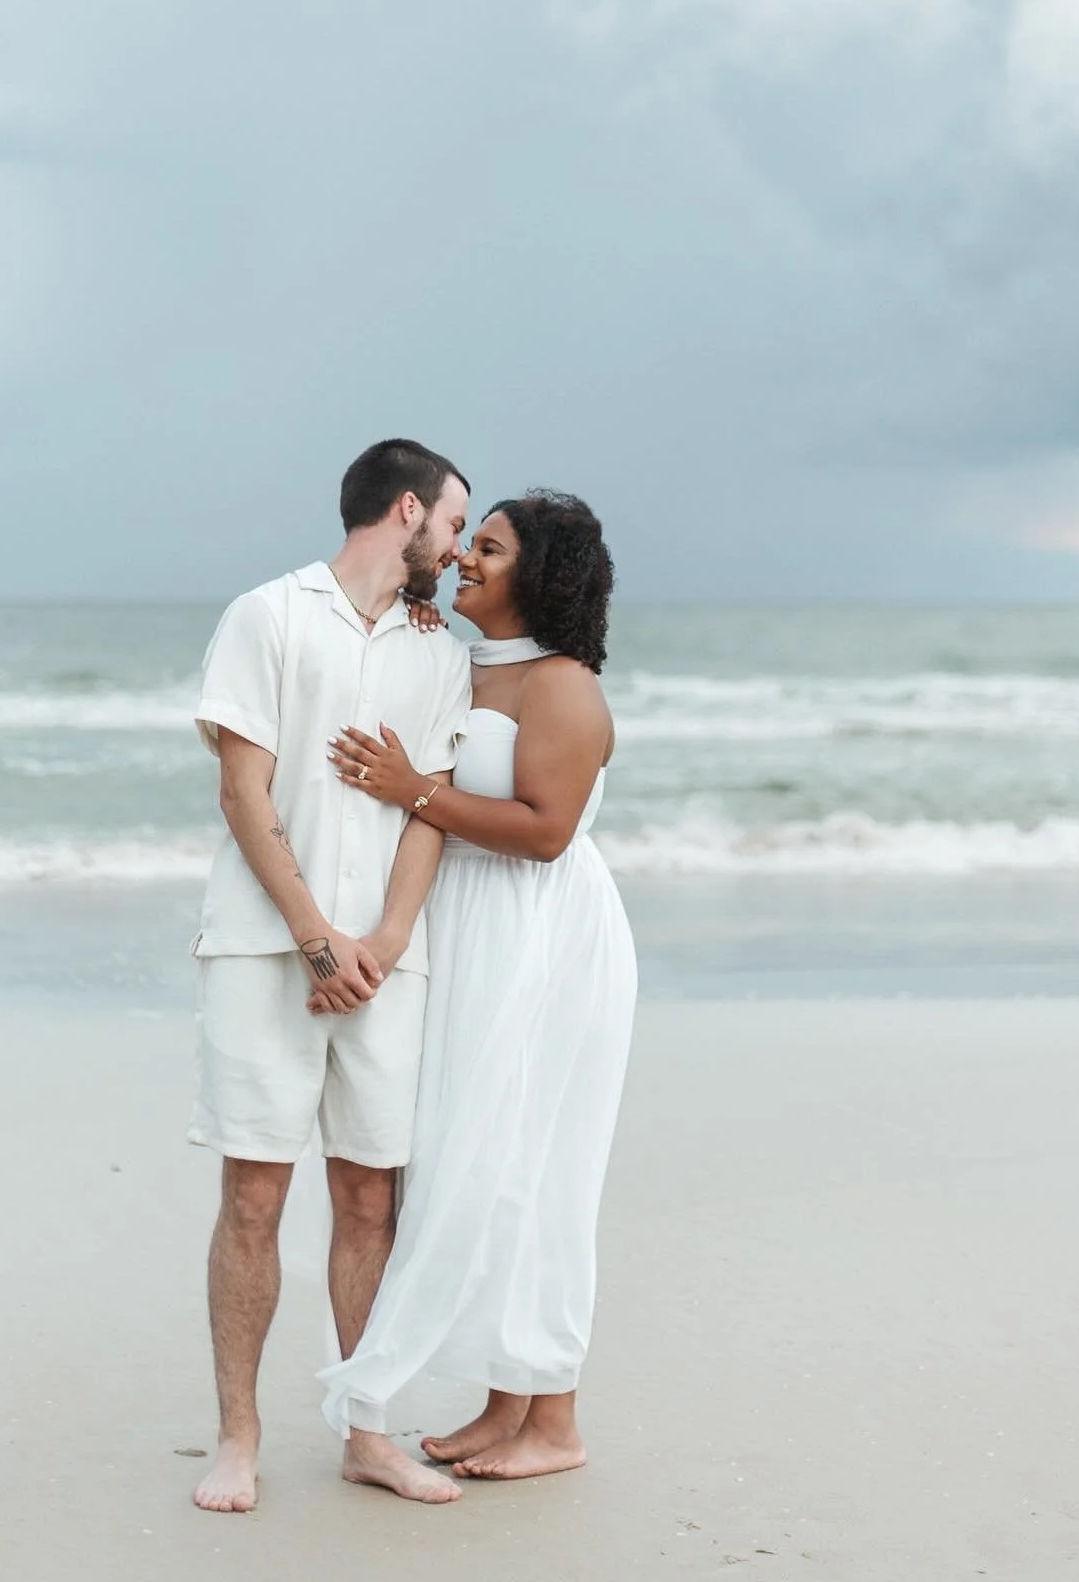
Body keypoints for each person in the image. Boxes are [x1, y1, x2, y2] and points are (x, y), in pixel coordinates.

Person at [317, 490, 637, 1496]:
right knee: (483, 1158)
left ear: (536, 574)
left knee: (537, 1168)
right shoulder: (472, 662)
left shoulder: (564, 688)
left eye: (487, 550)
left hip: (545, 937)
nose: (466, 561)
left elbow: (545, 831)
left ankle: (559, 1418)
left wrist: (410, 789)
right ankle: (508, 1399)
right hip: (475, 930)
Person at [188, 438, 472, 1512]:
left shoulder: (437, 646)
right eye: (452, 523)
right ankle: (238, 1439)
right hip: (267, 952)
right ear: (407, 510)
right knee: (255, 1193)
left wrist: (386, 943)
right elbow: (242, 796)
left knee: (370, 1196)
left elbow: (430, 803)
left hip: (390, 967)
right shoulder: (267, 616)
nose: (454, 545)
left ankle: (367, 1430)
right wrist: (318, 938)